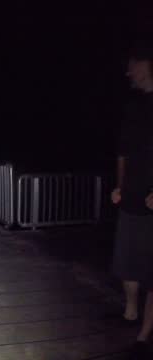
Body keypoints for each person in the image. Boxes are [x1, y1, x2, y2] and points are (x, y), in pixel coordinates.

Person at [110, 45, 153, 358]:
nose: (128, 73)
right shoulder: (133, 105)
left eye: (132, 66)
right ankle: (130, 313)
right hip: (132, 196)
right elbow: (123, 152)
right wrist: (119, 186)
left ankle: (145, 335)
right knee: (127, 258)